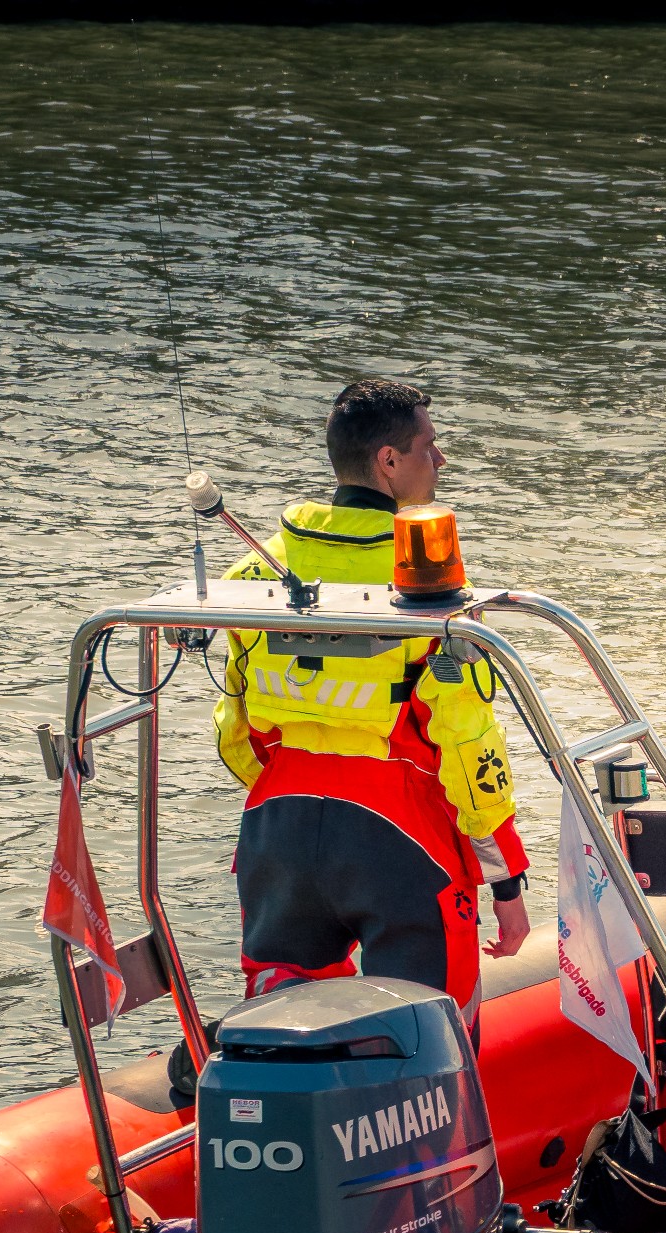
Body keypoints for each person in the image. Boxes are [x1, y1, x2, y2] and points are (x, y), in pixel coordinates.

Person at [212, 378, 530, 1014]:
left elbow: (233, 725)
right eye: (428, 446)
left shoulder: (258, 571)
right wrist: (508, 882)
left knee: (285, 1021)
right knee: (429, 1033)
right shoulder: (429, 580)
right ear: (389, 460)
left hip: (278, 827)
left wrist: (289, 786)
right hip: (400, 835)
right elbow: (468, 741)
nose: (439, 461)